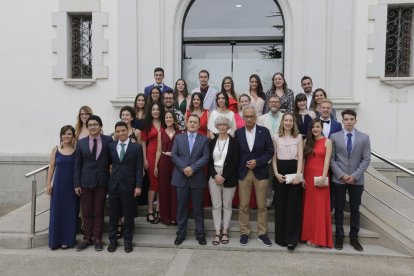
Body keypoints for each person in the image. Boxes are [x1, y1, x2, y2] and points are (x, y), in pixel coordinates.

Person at [330, 109, 371, 252]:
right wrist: (341, 175)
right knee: (339, 209)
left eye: (351, 119)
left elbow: (366, 159)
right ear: (342, 121)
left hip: (357, 180)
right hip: (339, 179)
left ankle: (354, 238)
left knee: (355, 209)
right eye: (346, 119)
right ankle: (339, 238)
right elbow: (331, 159)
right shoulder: (334, 137)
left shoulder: (364, 138)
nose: (348, 122)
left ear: (355, 120)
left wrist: (355, 176)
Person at [235, 105, 274, 247]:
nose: (249, 119)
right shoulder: (238, 133)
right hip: (244, 173)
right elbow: (236, 155)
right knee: (244, 205)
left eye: (252, 116)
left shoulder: (264, 132)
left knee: (262, 206)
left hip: (261, 173)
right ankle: (244, 232)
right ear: (243, 117)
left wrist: (258, 162)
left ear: (255, 117)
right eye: (247, 116)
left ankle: (262, 233)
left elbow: (270, 151)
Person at [74, 115, 112, 251]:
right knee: (86, 211)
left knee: (99, 211)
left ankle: (97, 238)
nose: (93, 127)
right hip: (85, 182)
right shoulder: (81, 142)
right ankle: (86, 238)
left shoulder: (108, 141)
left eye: (95, 124)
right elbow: (77, 165)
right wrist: (76, 184)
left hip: (102, 181)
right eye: (90, 125)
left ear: (100, 126)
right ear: (87, 127)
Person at [171, 114, 209, 246]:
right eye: (190, 122)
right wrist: (184, 168)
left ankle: (200, 234)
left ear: (199, 125)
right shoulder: (179, 138)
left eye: (195, 122)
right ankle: (180, 234)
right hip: (181, 177)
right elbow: (174, 155)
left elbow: (205, 157)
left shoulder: (204, 139)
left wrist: (192, 168)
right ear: (186, 124)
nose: (192, 124)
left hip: (196, 177)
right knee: (181, 208)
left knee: (198, 209)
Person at [107, 121, 143, 253]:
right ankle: (112, 241)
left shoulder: (136, 147)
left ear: (127, 131)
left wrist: (138, 186)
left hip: (129, 186)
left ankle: (128, 241)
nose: (121, 133)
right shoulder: (111, 146)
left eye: (123, 130)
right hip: (114, 185)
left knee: (128, 215)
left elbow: (139, 168)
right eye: (118, 131)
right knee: (113, 215)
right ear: (115, 133)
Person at [273, 112, 303, 252]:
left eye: (291, 120)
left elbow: (301, 158)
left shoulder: (298, 137)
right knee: (280, 206)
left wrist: (299, 175)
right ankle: (280, 238)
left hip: (294, 174)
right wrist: (276, 173)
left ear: (293, 122)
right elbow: (273, 158)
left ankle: (292, 239)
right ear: (282, 122)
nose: (288, 123)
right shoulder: (275, 137)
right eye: (286, 120)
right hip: (280, 173)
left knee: (293, 206)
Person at [301, 118, 333, 248]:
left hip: (321, 177)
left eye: (318, 127)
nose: (315, 129)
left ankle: (318, 238)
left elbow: (327, 161)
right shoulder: (306, 141)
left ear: (322, 128)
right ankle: (309, 236)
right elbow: (303, 161)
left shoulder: (328, 142)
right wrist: (302, 176)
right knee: (309, 207)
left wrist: (323, 177)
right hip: (308, 177)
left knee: (320, 208)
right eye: (313, 127)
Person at [46, 125, 78, 250]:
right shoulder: (56, 149)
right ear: (61, 136)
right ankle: (55, 241)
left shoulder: (76, 150)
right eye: (64, 134)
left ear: (73, 136)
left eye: (69, 134)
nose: (66, 136)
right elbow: (51, 167)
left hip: (72, 187)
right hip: (58, 186)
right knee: (57, 212)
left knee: (70, 213)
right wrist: (48, 184)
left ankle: (67, 240)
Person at [208, 116, 239, 245]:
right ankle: (217, 232)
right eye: (219, 124)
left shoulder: (234, 142)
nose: (222, 127)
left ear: (228, 127)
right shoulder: (211, 142)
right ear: (217, 126)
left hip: (229, 176)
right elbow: (208, 161)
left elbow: (235, 162)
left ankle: (225, 231)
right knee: (216, 205)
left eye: (224, 124)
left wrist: (224, 176)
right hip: (214, 175)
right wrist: (215, 175)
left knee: (227, 205)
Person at [155, 110, 182, 225]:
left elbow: (183, 150)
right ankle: (165, 217)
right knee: (164, 189)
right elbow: (158, 150)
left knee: (175, 189)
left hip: (176, 163)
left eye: (170, 117)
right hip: (164, 162)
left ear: (174, 119)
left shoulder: (180, 133)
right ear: (164, 120)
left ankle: (175, 217)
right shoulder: (161, 133)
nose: (168, 119)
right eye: (166, 118)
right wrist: (156, 166)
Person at [257, 94, 283, 208]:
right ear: (268, 104)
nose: (274, 104)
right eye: (272, 102)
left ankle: (279, 200)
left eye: (276, 102)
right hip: (266, 154)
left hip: (282, 154)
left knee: (280, 178)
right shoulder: (261, 119)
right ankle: (268, 200)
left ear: (280, 104)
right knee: (267, 179)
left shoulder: (285, 117)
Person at [141, 102, 164, 224]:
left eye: (157, 109)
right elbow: (143, 142)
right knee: (153, 183)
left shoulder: (164, 122)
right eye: (153, 109)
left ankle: (159, 209)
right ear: (150, 111)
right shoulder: (147, 124)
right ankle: (150, 210)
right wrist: (144, 158)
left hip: (163, 155)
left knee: (161, 183)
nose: (155, 111)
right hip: (150, 154)